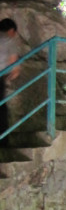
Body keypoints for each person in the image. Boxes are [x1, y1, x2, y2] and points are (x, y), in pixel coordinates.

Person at [0, 17, 21, 146]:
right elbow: (15, 65)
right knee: (1, 109)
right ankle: (3, 142)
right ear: (11, 30)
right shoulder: (10, 41)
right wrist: (12, 75)